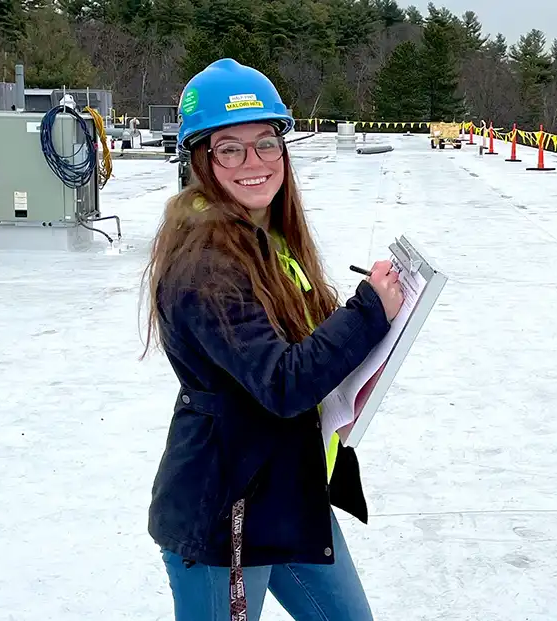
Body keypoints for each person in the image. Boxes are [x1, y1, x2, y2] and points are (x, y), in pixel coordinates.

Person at [140, 58, 403, 620]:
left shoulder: (267, 237)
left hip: (284, 491)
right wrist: (367, 312)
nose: (253, 162)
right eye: (229, 148)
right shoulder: (206, 262)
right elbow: (282, 383)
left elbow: (305, 343)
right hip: (224, 511)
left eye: (265, 142)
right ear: (198, 158)